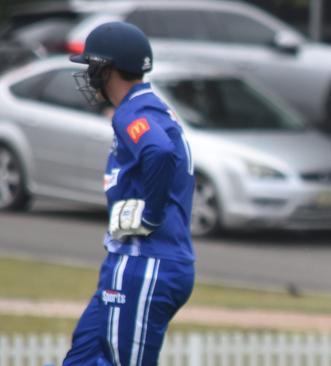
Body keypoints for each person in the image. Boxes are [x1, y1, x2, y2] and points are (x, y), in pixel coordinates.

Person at [65, 21, 195, 365]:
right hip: (131, 259)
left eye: (92, 67)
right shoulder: (145, 107)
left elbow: (160, 152)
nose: (90, 76)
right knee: (82, 358)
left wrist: (149, 213)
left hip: (146, 261)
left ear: (107, 69)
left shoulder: (133, 111)